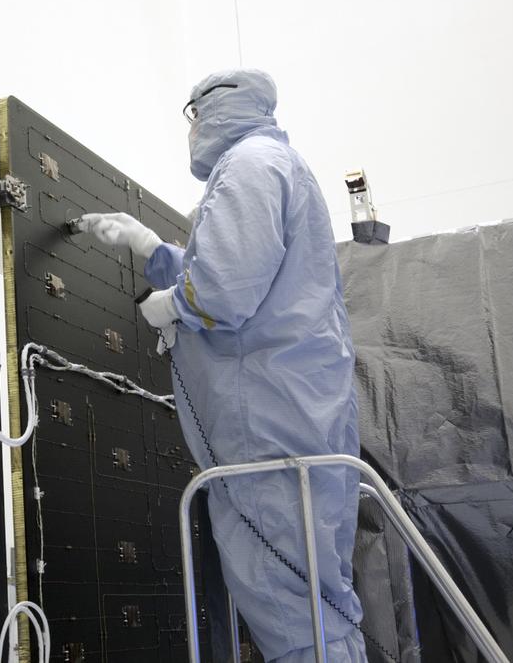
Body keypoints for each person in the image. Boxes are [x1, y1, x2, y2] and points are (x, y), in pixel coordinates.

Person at [80, 68, 365, 663]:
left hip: (267, 431)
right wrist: (154, 253)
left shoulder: (250, 166)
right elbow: (249, 274)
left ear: (209, 110)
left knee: (291, 608)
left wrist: (172, 305)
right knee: (319, 603)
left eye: (191, 116)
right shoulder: (274, 163)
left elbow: (225, 292)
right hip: (296, 417)